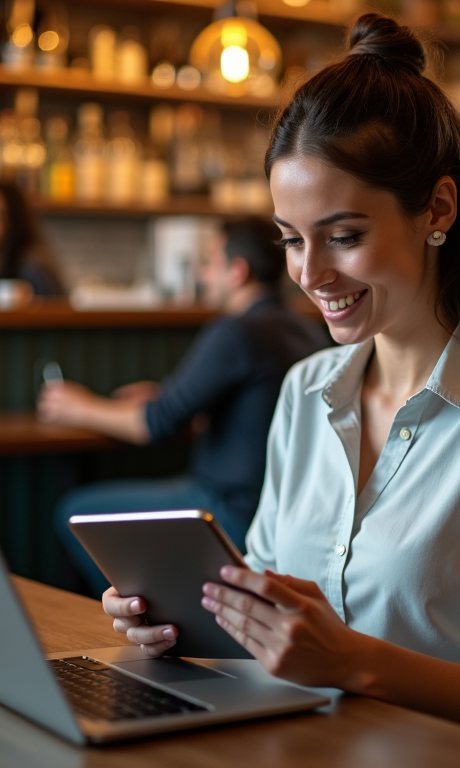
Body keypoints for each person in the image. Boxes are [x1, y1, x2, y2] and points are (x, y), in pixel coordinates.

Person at [102, 14, 460, 761]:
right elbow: (271, 625)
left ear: (437, 210)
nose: (309, 274)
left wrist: (355, 661)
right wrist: (184, 621)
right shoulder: (305, 393)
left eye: (343, 236)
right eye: (290, 238)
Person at [40, 218, 330, 593]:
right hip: (279, 510)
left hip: (226, 508)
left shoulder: (235, 331)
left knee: (74, 511)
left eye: (210, 263)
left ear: (237, 271)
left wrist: (77, 407)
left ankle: (155, 611)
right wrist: (164, 394)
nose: (202, 274)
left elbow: (156, 422)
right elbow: (235, 405)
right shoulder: (305, 328)